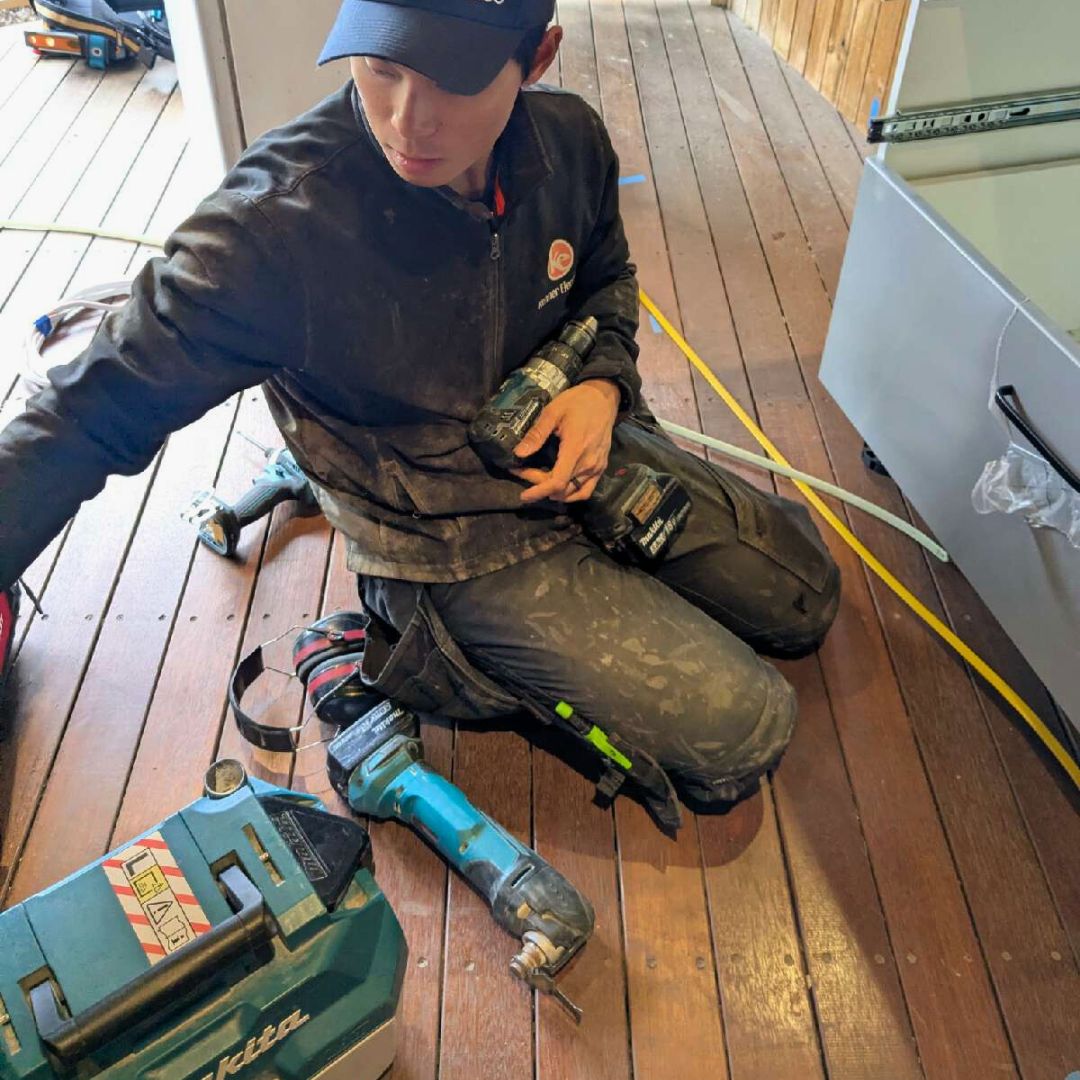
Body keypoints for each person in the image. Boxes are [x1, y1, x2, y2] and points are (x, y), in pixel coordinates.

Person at [0, 0, 839, 822]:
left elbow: (607, 279)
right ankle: (422, 643)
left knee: (807, 597)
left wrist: (603, 386)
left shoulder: (571, 142)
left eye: (455, 80)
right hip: (439, 538)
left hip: (566, 445)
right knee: (746, 728)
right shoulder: (273, 231)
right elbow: (84, 412)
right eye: (383, 67)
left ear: (536, 59)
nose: (408, 118)